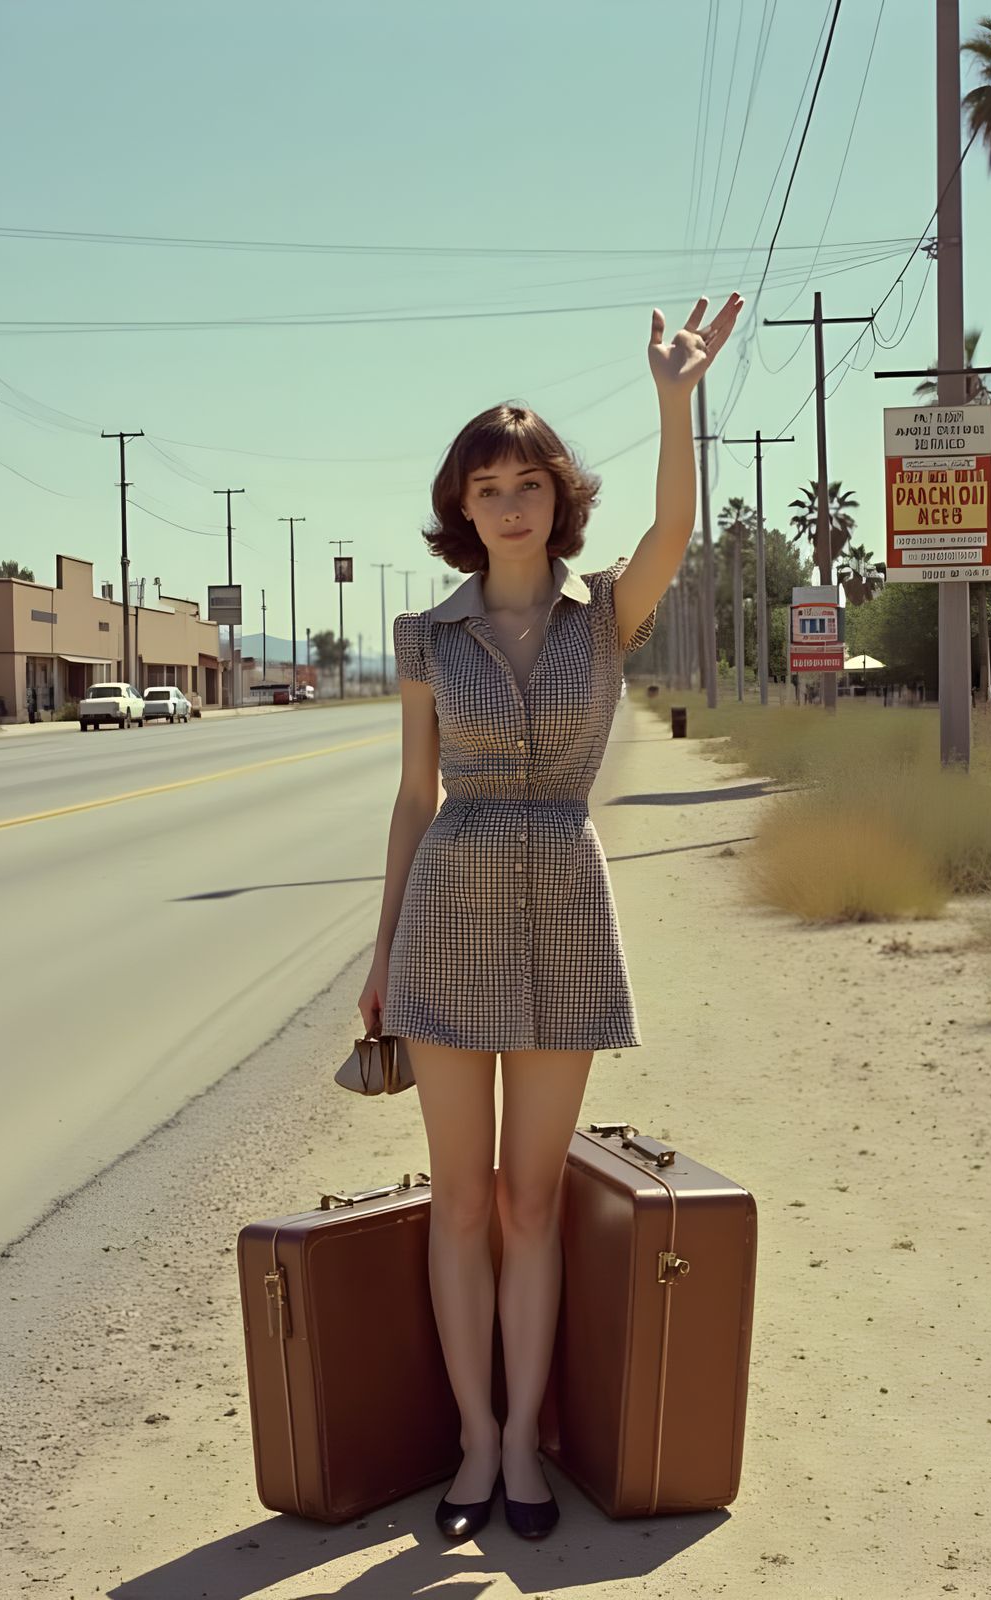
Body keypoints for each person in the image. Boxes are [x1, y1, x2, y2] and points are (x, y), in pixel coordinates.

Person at [358, 293, 744, 1542]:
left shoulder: (606, 619)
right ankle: (472, 1438)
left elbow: (678, 527)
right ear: (459, 510)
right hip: (450, 906)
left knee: (533, 1202)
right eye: (486, 488)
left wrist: (674, 400)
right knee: (459, 1202)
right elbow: (415, 798)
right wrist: (379, 962)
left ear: (556, 497)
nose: (510, 504)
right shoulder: (423, 635)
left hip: (567, 908)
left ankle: (527, 1437)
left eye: (528, 482)